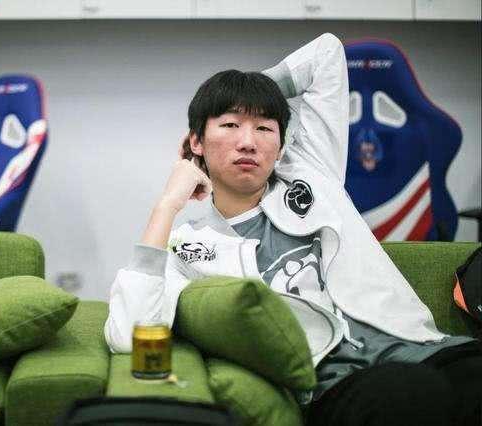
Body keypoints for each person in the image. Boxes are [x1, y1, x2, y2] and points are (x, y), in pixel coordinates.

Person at [104, 33, 481, 425]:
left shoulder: (312, 172)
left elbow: (326, 54)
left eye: (264, 128)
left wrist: (254, 92)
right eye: (230, 124)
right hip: (339, 383)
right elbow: (128, 332)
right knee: (414, 394)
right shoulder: (189, 247)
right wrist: (167, 205)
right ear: (196, 142)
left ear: (282, 146)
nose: (248, 142)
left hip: (423, 348)